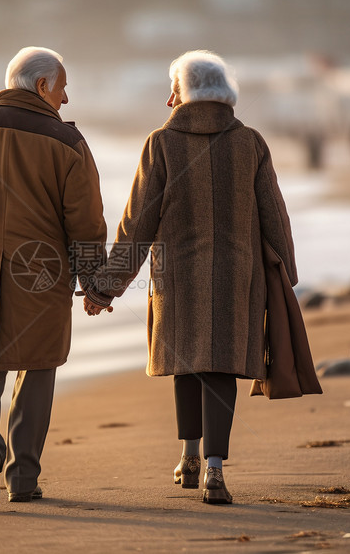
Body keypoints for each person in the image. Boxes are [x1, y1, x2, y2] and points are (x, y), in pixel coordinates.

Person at [82, 50, 297, 505]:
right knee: (220, 364)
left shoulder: (162, 143)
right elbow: (275, 217)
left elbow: (136, 223)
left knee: (187, 360)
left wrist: (105, 286)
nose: (167, 100)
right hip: (239, 276)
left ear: (185, 93)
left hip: (177, 275)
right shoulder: (251, 143)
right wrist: (286, 276)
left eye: (172, 90)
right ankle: (213, 468)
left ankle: (190, 455)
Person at [0, 46, 107, 510]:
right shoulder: (68, 144)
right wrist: (94, 282)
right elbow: (85, 222)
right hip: (42, 274)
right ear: (43, 86)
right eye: (63, 87)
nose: (66, 99)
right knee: (38, 365)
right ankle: (23, 479)